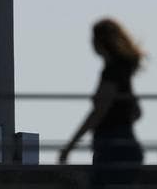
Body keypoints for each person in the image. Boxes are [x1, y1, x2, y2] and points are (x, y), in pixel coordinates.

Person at [59, 18, 145, 187]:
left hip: (112, 147)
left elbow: (98, 112)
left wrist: (70, 145)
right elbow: (136, 112)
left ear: (100, 42)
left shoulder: (112, 72)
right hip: (123, 145)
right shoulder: (123, 72)